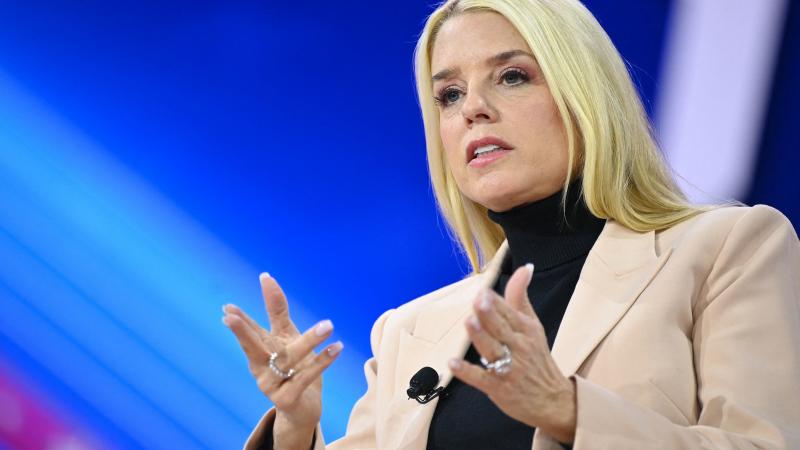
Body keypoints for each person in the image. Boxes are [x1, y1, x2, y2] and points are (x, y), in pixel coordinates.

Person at [222, 0, 800, 448]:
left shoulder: (726, 252)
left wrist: (568, 411)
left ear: (584, 97)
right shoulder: (409, 330)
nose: (472, 107)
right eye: (448, 94)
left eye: (512, 76)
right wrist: (295, 427)